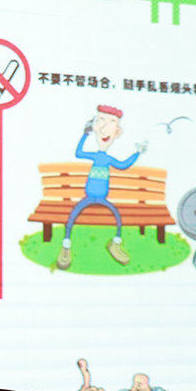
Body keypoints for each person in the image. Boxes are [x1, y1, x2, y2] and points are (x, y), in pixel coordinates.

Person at [57, 105, 141, 271]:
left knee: (117, 216)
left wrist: (137, 153)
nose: (104, 130)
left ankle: (115, 244)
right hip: (89, 196)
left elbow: (123, 165)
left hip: (102, 198)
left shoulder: (107, 159)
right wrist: (85, 134)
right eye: (101, 121)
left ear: (117, 132)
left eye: (111, 123)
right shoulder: (95, 156)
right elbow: (79, 153)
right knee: (73, 216)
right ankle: (66, 246)